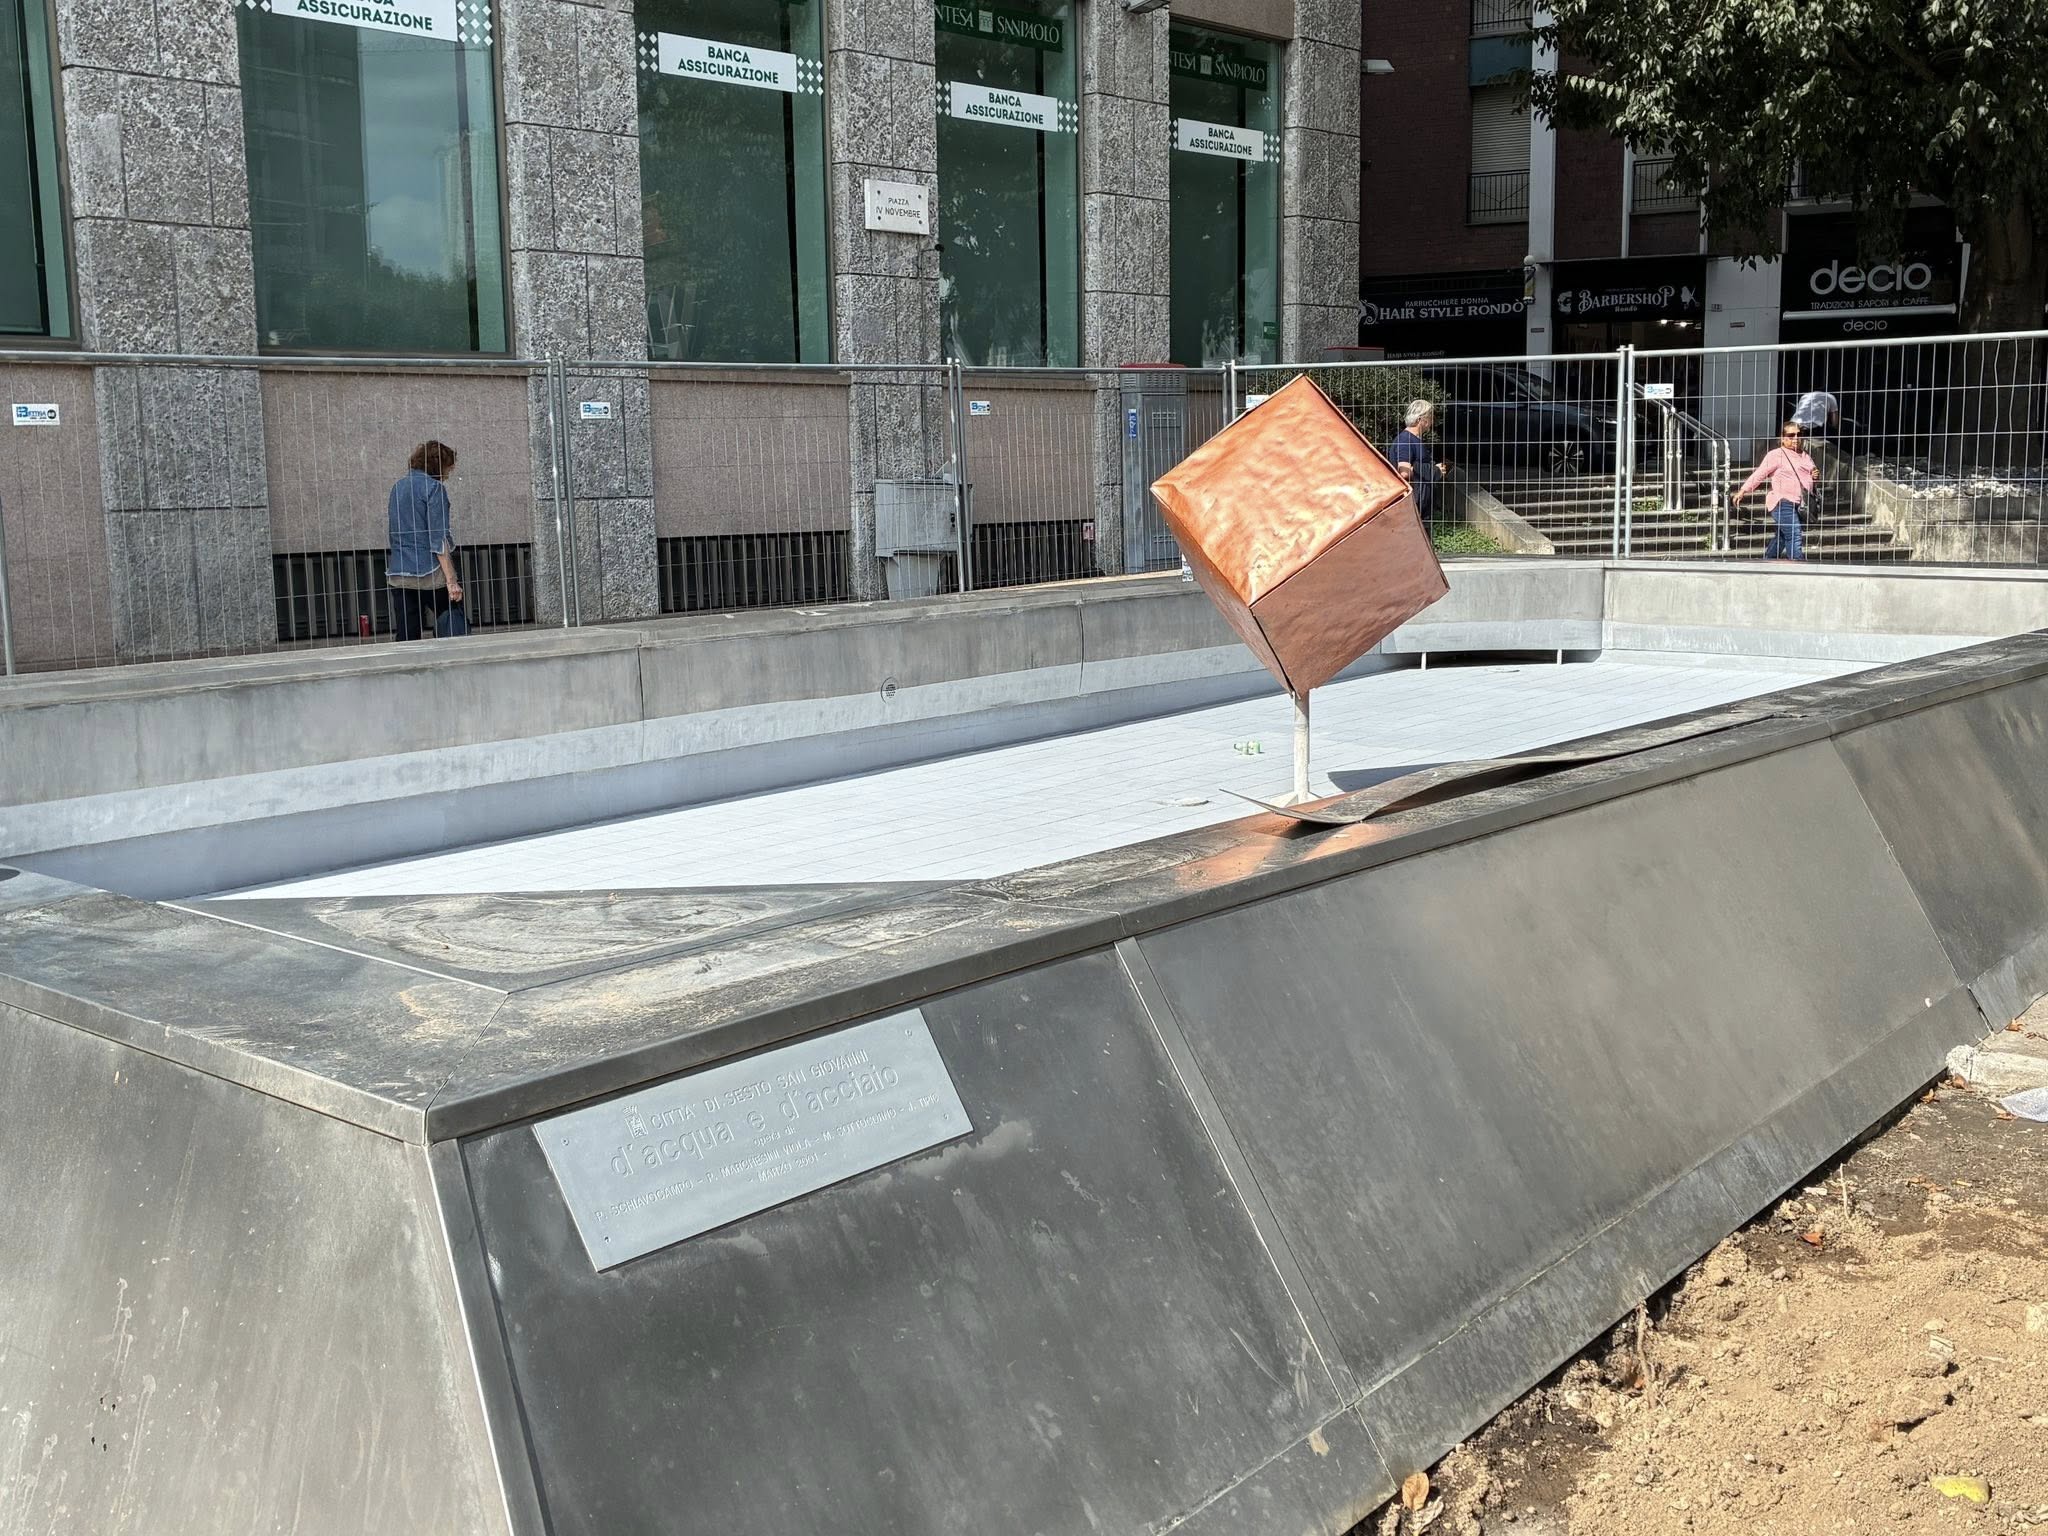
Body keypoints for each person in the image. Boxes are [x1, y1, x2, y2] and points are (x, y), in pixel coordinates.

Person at [387, 440, 463, 641]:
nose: (449, 473)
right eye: (449, 468)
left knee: (407, 636)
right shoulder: (434, 488)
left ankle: (408, 671)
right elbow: (438, 538)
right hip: (429, 572)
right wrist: (451, 581)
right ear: (439, 465)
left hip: (400, 571)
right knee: (452, 625)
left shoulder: (398, 487)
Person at [1732, 422, 1816, 562]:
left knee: (1782, 538)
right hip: (1782, 501)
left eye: (1799, 435)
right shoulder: (1776, 455)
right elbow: (1760, 473)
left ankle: (1766, 562)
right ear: (1782, 438)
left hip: (1800, 503)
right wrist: (1743, 490)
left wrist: (1814, 476)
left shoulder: (1805, 455)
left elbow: (1810, 475)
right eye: (1791, 435)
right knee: (1794, 534)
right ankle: (1799, 567)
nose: (1796, 438)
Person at [1391, 400, 1448, 523]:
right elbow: (1403, 472)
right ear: (1420, 419)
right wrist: (1434, 471)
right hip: (1412, 507)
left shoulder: (1413, 440)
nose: (1431, 422)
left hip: (1421, 507)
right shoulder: (1405, 441)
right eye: (1429, 418)